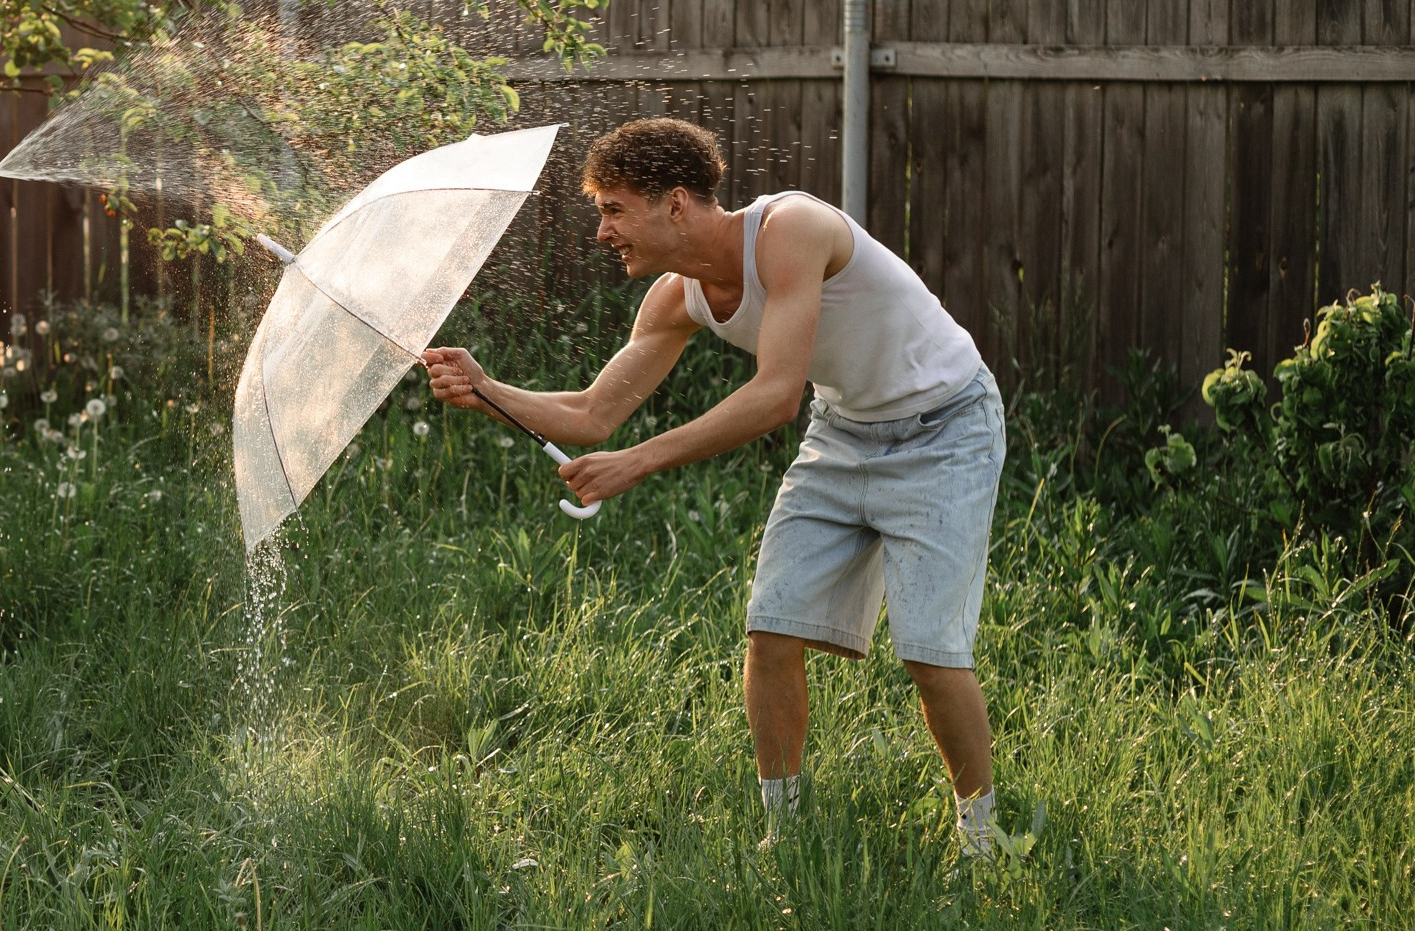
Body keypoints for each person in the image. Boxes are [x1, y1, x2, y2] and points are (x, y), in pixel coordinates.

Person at [424, 118, 1004, 856]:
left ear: (674, 204)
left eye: (611, 208)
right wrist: (485, 388)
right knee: (772, 630)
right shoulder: (675, 298)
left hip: (945, 429)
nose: (602, 233)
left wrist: (640, 462)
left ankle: (984, 840)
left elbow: (775, 397)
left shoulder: (790, 230)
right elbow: (594, 415)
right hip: (847, 431)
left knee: (928, 651)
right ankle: (784, 837)